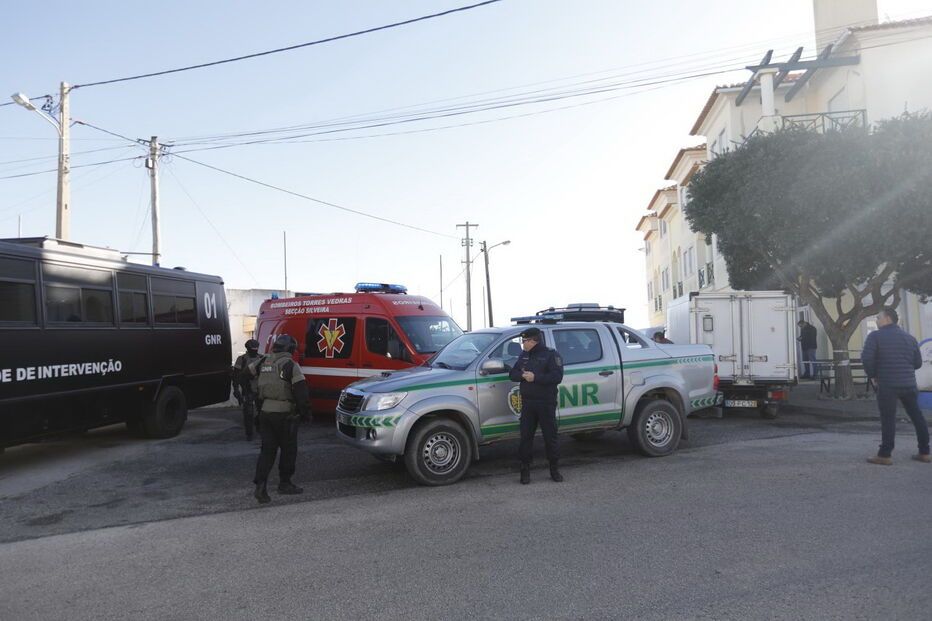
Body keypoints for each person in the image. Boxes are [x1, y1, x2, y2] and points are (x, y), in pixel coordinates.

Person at [862, 308, 928, 466]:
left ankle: (885, 455)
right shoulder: (910, 338)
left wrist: (873, 375)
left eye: (878, 317)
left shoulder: (875, 336)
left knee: (888, 418)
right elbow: (918, 363)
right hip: (909, 384)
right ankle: (925, 452)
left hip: (887, 384)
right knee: (917, 416)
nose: (876, 321)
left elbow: (867, 358)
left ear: (887, 319)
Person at [249, 334, 310, 503]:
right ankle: (285, 484)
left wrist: (252, 394)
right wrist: (305, 413)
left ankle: (260, 486)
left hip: (265, 413)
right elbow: (301, 392)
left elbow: (243, 375)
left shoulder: (263, 362)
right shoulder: (291, 365)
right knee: (288, 450)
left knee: (267, 451)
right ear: (290, 349)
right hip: (285, 415)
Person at [509, 327, 565, 484]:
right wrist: (522, 375)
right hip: (528, 403)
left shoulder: (551, 354)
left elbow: (557, 376)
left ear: (533, 341)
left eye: (524, 341)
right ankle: (525, 470)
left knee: (550, 437)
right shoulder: (524, 355)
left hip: (545, 403)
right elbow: (512, 374)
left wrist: (536, 377)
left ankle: (554, 469)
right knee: (525, 438)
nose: (523, 344)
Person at [231, 339, 263, 440]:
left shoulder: (261, 358)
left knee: (261, 412)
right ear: (248, 349)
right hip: (247, 389)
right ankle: (249, 434)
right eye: (252, 350)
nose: (254, 352)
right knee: (248, 413)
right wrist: (236, 389)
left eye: (255, 350)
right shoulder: (242, 359)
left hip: (260, 389)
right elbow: (235, 375)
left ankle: (259, 429)